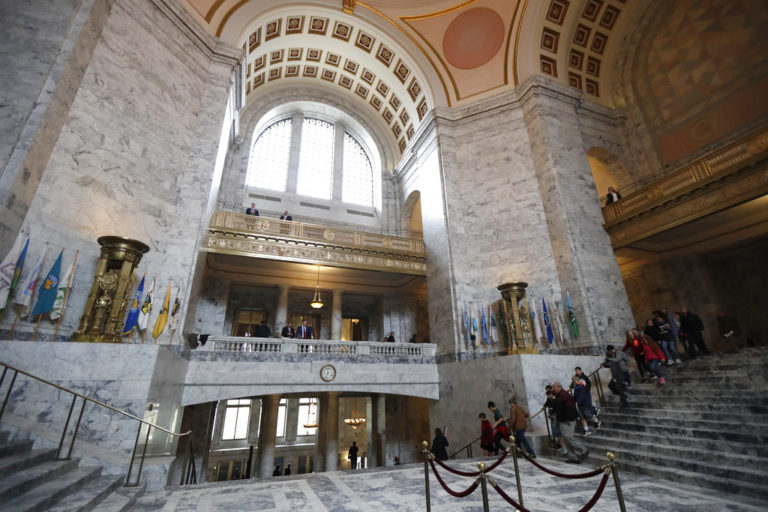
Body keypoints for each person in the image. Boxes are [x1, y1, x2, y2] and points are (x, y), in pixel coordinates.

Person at [546, 381, 588, 463]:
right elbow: (555, 407)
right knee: (565, 439)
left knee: (568, 437)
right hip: (562, 420)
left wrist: (569, 419)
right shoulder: (558, 396)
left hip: (568, 420)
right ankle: (573, 457)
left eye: (553, 387)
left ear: (559, 387)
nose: (552, 389)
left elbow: (571, 407)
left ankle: (584, 450)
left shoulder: (564, 395)